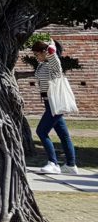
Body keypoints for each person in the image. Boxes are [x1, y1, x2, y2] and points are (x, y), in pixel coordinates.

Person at [33, 39, 78, 174]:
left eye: (37, 54)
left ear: (44, 52)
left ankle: (53, 163)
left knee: (41, 131)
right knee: (64, 135)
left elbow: (55, 62)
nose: (36, 57)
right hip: (49, 104)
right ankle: (71, 165)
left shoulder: (53, 64)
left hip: (54, 103)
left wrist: (51, 50)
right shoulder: (42, 65)